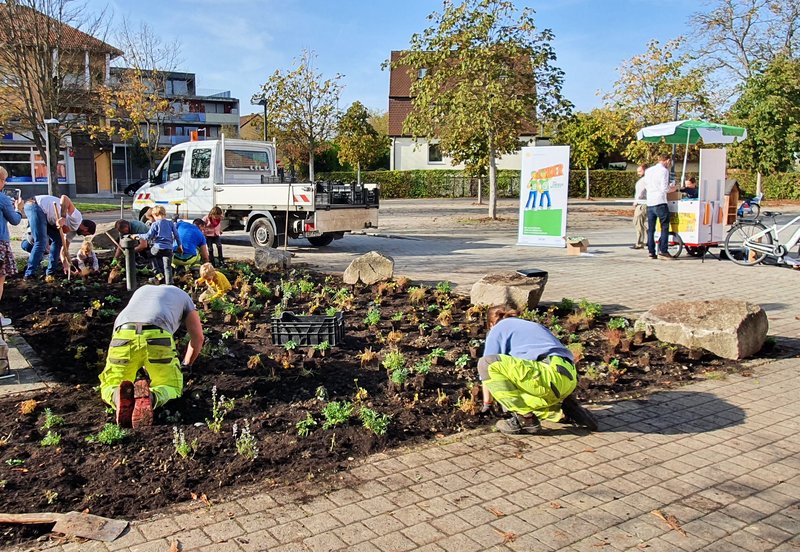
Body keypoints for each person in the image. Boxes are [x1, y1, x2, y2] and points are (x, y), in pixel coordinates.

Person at [478, 306, 596, 434]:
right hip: (568, 376)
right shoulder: (531, 325)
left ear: (490, 324)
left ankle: (525, 418)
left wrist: (487, 404)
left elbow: (488, 369)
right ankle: (561, 411)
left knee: (486, 364)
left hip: (547, 376)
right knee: (520, 390)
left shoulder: (497, 329)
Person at [99, 285, 204, 429]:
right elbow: (198, 338)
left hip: (122, 334)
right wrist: (186, 364)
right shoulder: (185, 297)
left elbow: (132, 339)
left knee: (111, 382)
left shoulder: (141, 290)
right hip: (157, 335)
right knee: (170, 385)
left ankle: (117, 395)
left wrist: (141, 362)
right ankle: (152, 397)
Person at [21, 194, 96, 278]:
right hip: (36, 205)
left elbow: (64, 248)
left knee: (58, 241)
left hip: (47, 218)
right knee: (41, 242)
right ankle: (29, 274)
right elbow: (65, 197)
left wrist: (65, 263)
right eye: (86, 234)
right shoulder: (77, 218)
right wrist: (63, 217)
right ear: (85, 229)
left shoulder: (73, 232)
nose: (84, 236)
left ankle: (50, 273)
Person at [0, 167, 24, 326]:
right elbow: (15, 220)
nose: (5, 182)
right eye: (3, 179)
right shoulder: (2, 199)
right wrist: (19, 209)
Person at [137, 205, 182, 285]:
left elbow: (148, 236)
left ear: (154, 215)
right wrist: (180, 246)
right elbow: (176, 235)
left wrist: (138, 236)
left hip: (158, 247)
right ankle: (169, 284)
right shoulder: (170, 223)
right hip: (168, 249)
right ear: (164, 214)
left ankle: (158, 273)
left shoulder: (155, 224)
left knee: (150, 255)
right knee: (167, 267)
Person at [644, 154, 676, 260]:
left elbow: (647, 185)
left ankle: (651, 252)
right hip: (660, 202)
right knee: (664, 227)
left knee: (651, 229)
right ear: (667, 160)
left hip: (650, 202)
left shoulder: (648, 171)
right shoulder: (664, 171)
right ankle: (663, 250)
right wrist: (673, 189)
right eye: (669, 162)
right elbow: (664, 189)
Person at [631, 164, 647, 250]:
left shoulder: (644, 180)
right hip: (643, 203)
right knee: (640, 223)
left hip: (641, 204)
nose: (638, 173)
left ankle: (640, 243)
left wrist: (636, 202)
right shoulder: (646, 179)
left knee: (638, 222)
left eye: (640, 171)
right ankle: (648, 239)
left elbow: (640, 194)